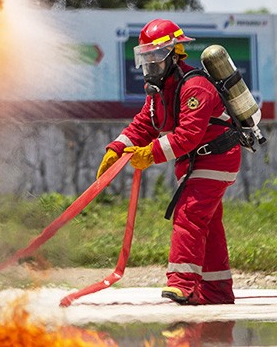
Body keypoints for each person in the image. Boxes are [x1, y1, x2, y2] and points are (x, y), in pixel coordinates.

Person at [96, 18, 240, 305]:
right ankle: (217, 291)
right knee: (208, 225)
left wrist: (149, 154)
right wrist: (117, 148)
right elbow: (144, 125)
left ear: (176, 54)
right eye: (145, 57)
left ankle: (182, 284)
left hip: (216, 157)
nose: (150, 64)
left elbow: (188, 135)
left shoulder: (195, 86)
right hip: (193, 163)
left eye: (156, 57)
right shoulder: (160, 91)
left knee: (189, 214)